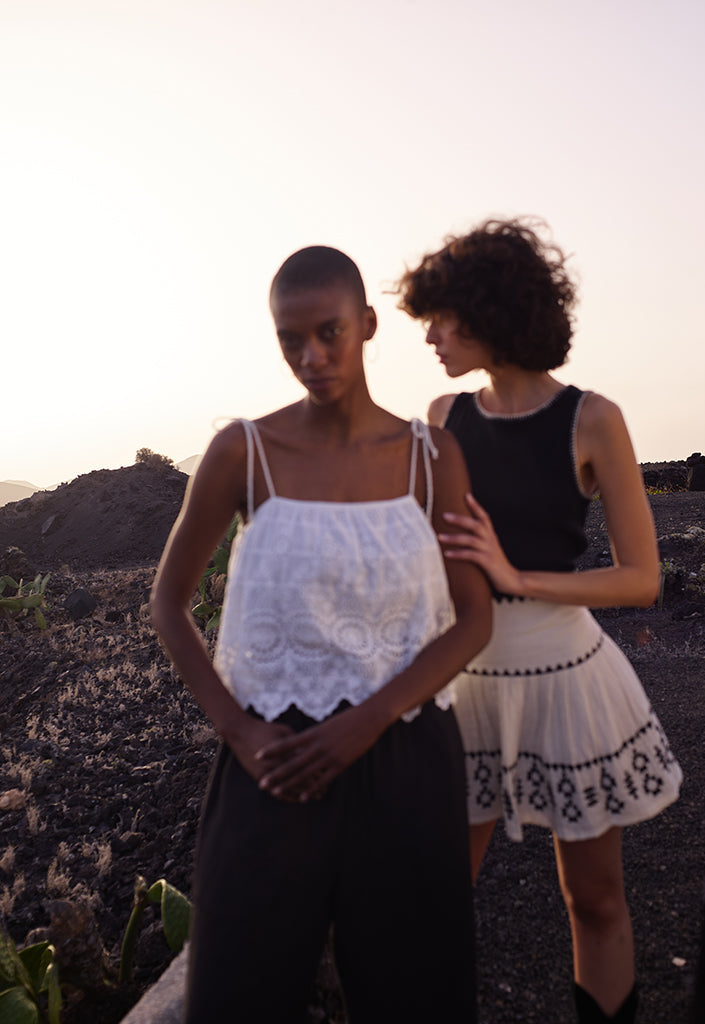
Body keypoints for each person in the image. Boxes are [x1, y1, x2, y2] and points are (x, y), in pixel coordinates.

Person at [151, 245, 492, 1023]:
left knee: (418, 999)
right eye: (290, 340)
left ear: (368, 324)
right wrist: (236, 730)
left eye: (330, 332)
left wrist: (366, 722)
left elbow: (473, 618)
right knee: (237, 995)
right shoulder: (245, 452)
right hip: (272, 761)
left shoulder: (429, 457)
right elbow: (168, 603)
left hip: (405, 756)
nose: (312, 357)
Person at [396, 218, 683, 1024]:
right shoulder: (444, 416)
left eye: (443, 317)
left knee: (593, 899)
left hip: (568, 678)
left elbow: (642, 579)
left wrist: (515, 575)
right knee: (437, 900)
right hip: (466, 681)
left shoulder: (594, 418)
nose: (430, 337)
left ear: (491, 311)